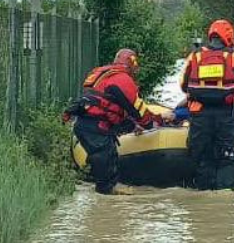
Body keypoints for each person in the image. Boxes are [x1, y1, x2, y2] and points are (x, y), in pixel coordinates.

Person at [63, 49, 172, 195]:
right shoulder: (122, 80)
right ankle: (105, 195)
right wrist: (154, 124)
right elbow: (138, 110)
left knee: (108, 155)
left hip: (87, 124)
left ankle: (104, 193)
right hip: (95, 127)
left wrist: (132, 125)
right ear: (132, 64)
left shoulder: (106, 75)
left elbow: (113, 109)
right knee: (104, 156)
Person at [181, 19, 234, 190]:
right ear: (230, 37)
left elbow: (183, 84)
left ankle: (204, 199)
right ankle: (224, 199)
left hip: (200, 117)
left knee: (202, 158)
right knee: (228, 158)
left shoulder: (195, 56)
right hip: (226, 116)